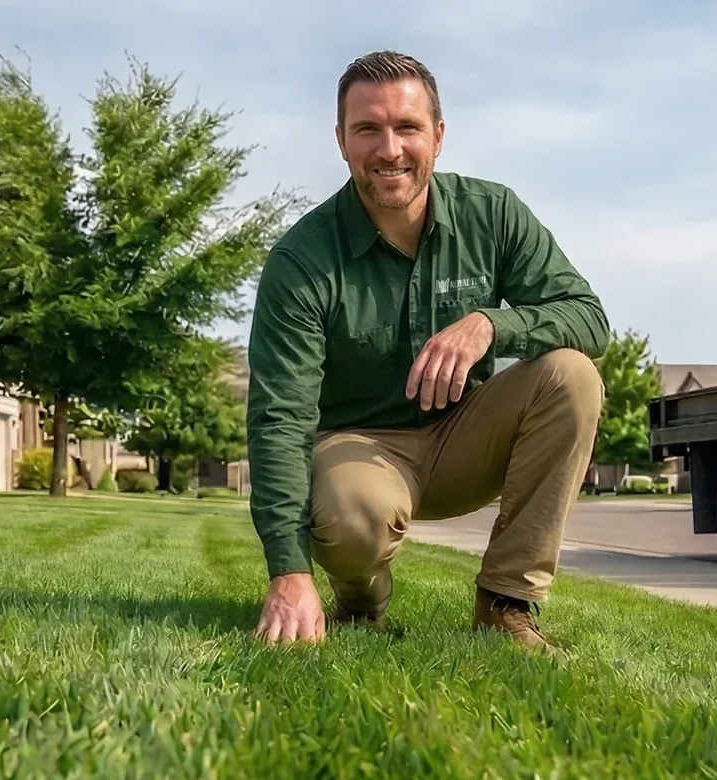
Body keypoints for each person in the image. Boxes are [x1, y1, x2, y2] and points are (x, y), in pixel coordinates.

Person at [245, 50, 609, 647]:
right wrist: (288, 570)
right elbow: (280, 417)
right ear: (341, 141)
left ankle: (505, 604)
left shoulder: (494, 214)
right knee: (349, 515)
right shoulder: (301, 261)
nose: (389, 149)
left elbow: (590, 320)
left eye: (407, 127)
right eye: (368, 129)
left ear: (437, 137)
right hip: (360, 452)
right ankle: (361, 596)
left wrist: (492, 325)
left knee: (571, 376)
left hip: (467, 435)